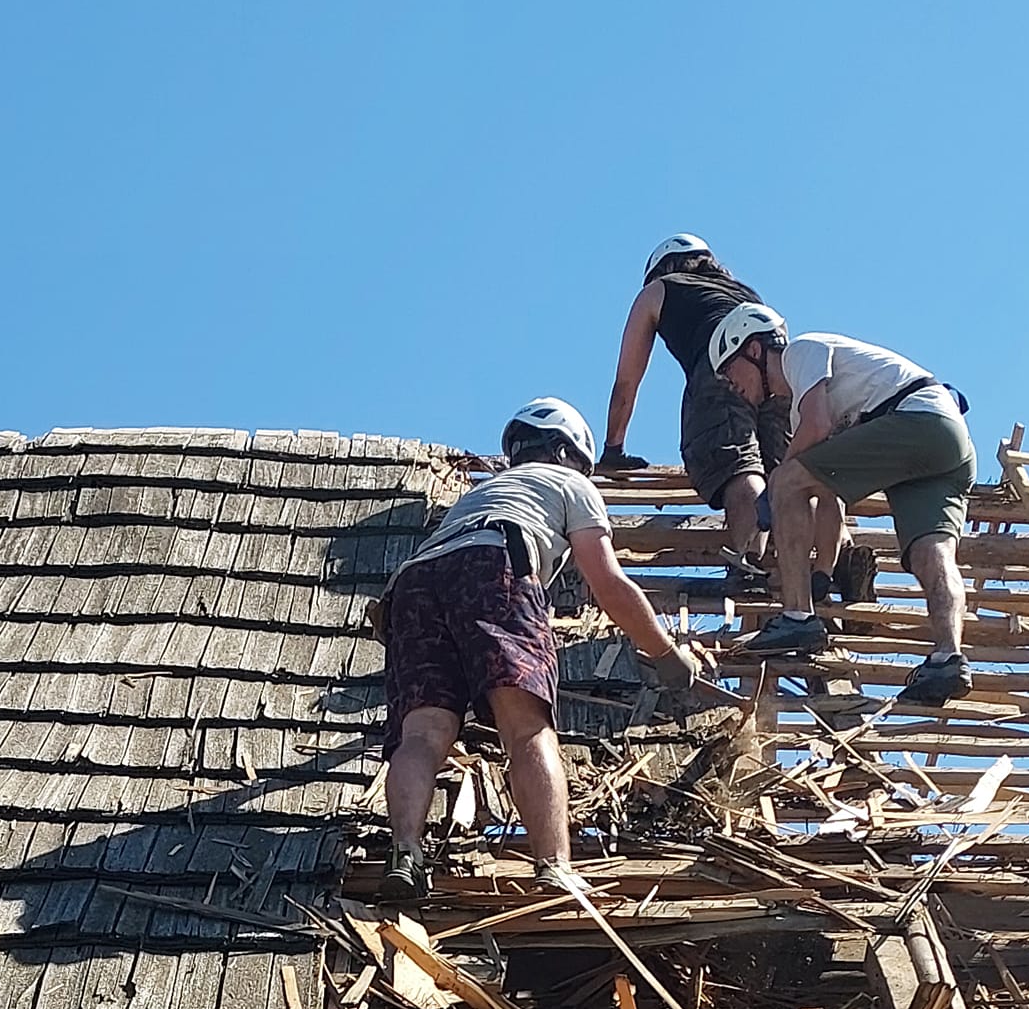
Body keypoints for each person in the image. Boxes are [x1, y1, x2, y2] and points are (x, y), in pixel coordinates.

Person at [376, 398, 701, 903]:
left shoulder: (480, 494)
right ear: (566, 452)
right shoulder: (571, 484)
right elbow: (608, 582)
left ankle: (406, 855)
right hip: (492, 564)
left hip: (412, 584)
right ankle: (555, 867)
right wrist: (665, 654)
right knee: (525, 726)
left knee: (422, 733)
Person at [710, 305, 978, 708]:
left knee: (787, 479)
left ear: (753, 349)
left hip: (915, 418)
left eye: (730, 372)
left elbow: (815, 430)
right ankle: (948, 658)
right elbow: (829, 493)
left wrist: (776, 487)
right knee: (932, 553)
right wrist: (822, 571)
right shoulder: (812, 402)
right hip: (947, 441)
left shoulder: (801, 352)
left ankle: (797, 616)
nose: (733, 386)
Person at [599, 234, 789, 586]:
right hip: (778, 371)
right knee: (789, 474)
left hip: (721, 367)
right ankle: (832, 560)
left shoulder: (660, 289)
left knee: (737, 465)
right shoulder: (745, 292)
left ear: (663, 268)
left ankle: (750, 563)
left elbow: (627, 381)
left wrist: (613, 449)